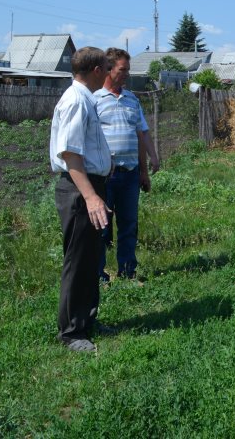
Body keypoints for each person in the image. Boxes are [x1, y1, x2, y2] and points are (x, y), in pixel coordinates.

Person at [50, 47, 112, 352]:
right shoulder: (76, 100)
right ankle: (71, 333)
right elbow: (70, 153)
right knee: (77, 260)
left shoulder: (86, 99)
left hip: (90, 187)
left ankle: (87, 320)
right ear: (97, 70)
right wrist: (90, 197)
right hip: (79, 190)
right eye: (107, 68)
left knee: (90, 258)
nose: (110, 73)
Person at [94, 47, 159, 282]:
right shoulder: (95, 100)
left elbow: (141, 133)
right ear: (109, 70)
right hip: (104, 176)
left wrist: (146, 167)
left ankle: (128, 271)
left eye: (128, 70)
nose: (127, 74)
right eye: (123, 70)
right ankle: (98, 275)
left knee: (129, 225)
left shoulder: (132, 99)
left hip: (130, 173)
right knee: (100, 228)